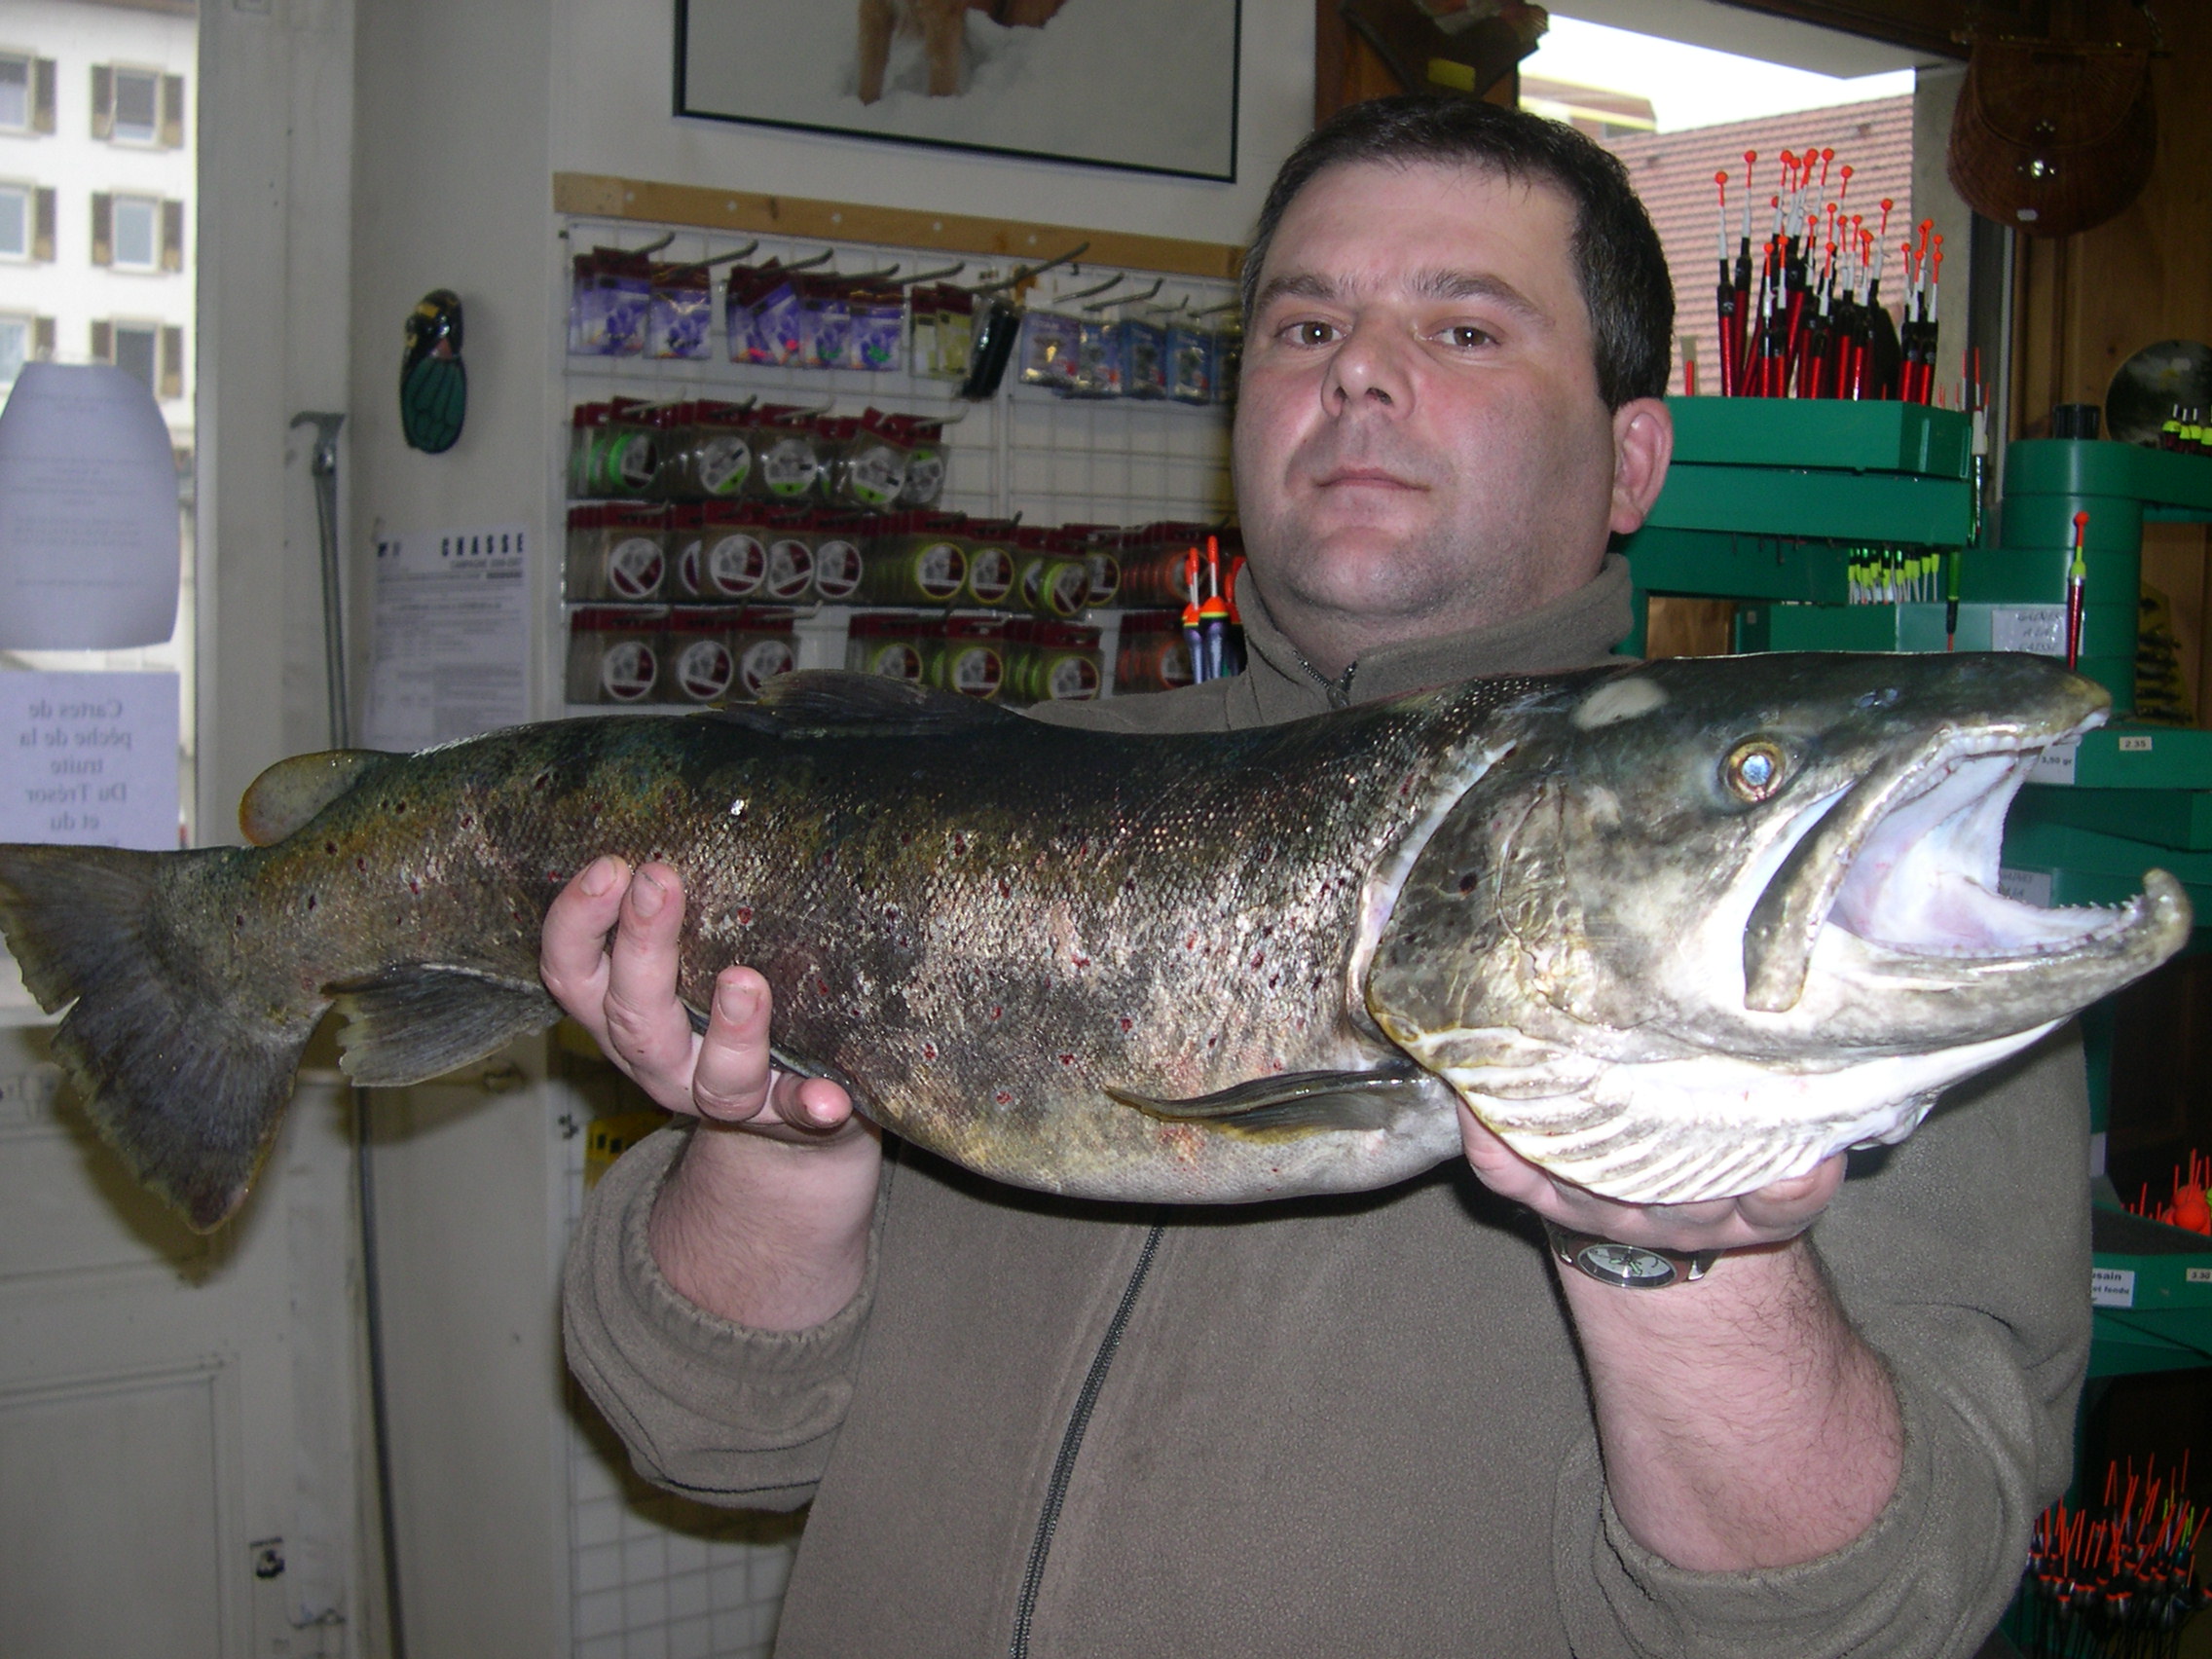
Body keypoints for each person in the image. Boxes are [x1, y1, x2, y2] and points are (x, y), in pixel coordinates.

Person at [552, 95, 2085, 1658]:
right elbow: (707, 1434)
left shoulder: (1874, 964)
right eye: (1306, 326)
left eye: (1465, 330)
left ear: (1632, 460)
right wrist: (777, 1150)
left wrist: (1687, 1256)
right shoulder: (1005, 806)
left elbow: (1869, 1623)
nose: (1358, 370)